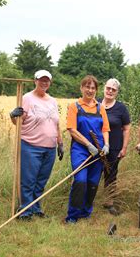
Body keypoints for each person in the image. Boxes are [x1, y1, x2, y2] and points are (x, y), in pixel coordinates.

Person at [9, 70, 63, 220]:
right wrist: (12, 116)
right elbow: (19, 122)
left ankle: (36, 209)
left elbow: (56, 124)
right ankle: (24, 212)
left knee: (41, 181)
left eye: (47, 80)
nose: (44, 83)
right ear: (35, 81)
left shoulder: (52, 101)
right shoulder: (27, 98)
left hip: (50, 148)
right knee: (28, 180)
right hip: (30, 145)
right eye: (41, 80)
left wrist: (60, 143)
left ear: (50, 83)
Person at [65, 75, 110, 223]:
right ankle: (73, 215)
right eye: (87, 87)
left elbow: (105, 129)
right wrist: (88, 145)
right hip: (80, 150)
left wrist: (106, 145)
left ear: (96, 90)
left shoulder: (100, 107)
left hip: (99, 151)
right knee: (80, 180)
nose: (90, 90)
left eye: (93, 88)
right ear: (81, 88)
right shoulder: (74, 106)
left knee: (92, 183)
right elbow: (72, 129)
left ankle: (85, 212)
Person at [100, 78, 131, 216]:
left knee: (111, 175)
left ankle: (109, 202)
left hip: (114, 147)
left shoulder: (121, 108)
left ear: (117, 92)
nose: (110, 91)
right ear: (104, 88)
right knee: (93, 173)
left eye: (113, 89)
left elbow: (126, 129)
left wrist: (124, 148)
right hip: (95, 146)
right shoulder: (95, 104)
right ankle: (88, 200)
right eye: (108, 88)